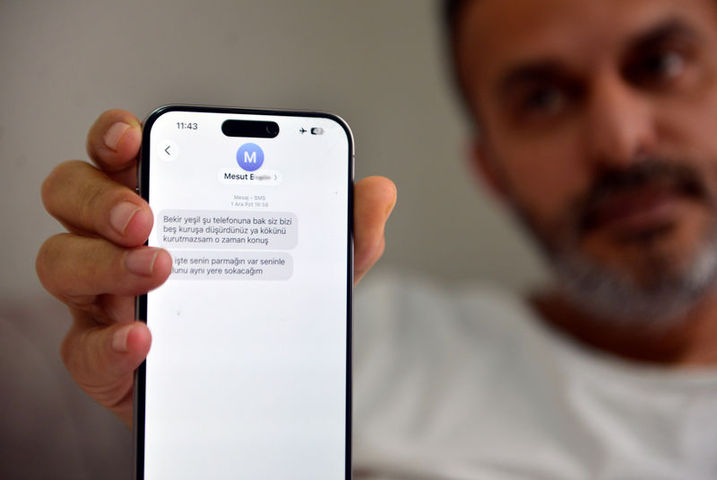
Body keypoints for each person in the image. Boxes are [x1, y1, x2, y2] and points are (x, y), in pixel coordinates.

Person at [36, 0, 717, 477]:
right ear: (491, 169)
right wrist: (200, 426)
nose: (619, 140)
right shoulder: (367, 342)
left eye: (661, 63)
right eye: (541, 99)